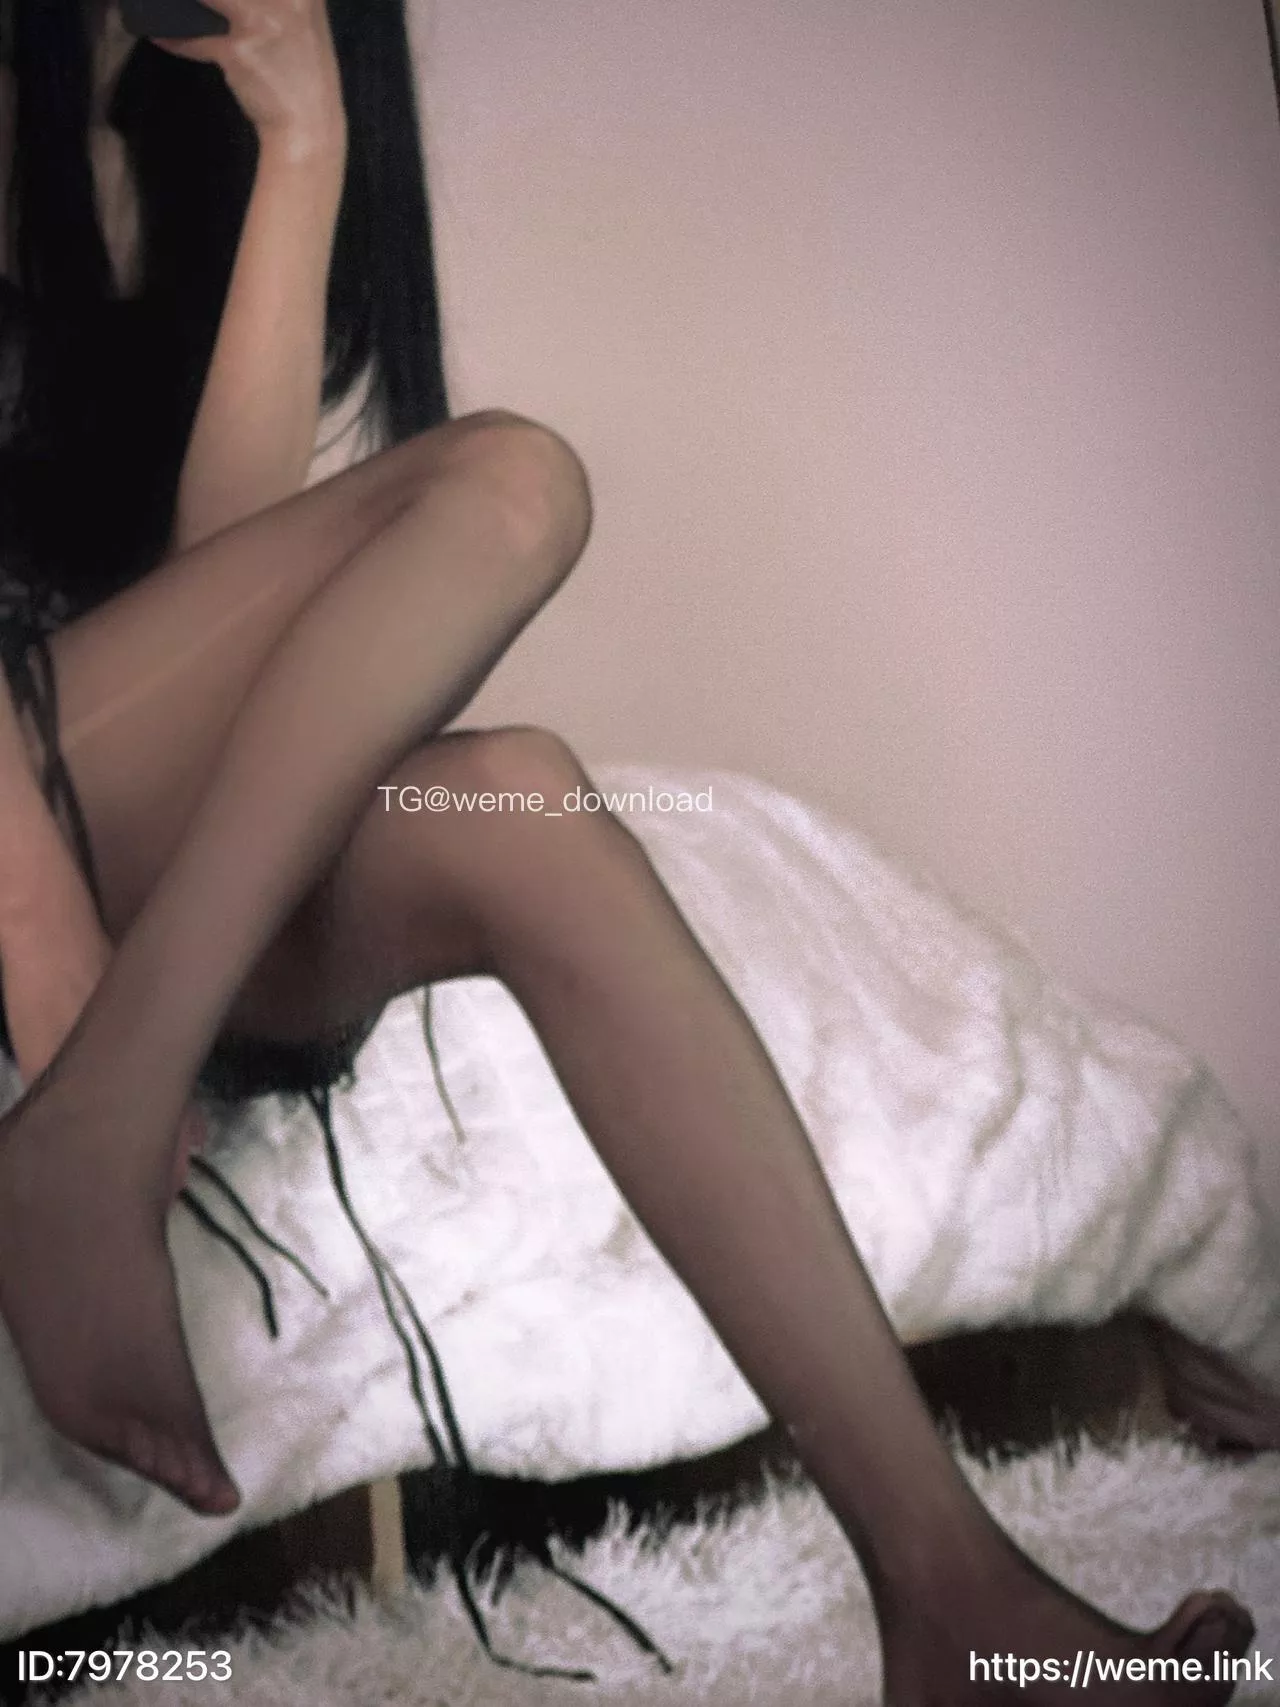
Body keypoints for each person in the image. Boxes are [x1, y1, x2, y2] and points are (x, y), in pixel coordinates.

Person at [0, 2, 1268, 1699]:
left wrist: (302, 149)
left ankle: (955, 1595)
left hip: (126, 819)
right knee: (514, 482)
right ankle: (101, 1115)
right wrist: (52, 962)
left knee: (523, 802)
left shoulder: (182, 135)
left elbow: (220, 602)